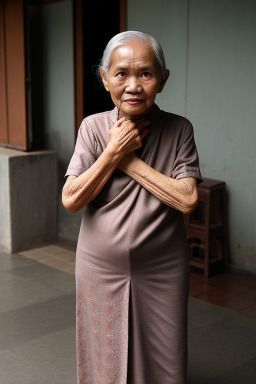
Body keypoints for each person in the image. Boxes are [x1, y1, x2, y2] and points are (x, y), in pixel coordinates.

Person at [62, 30, 202, 384]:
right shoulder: (93, 128)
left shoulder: (179, 129)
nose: (134, 85)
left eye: (146, 74)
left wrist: (127, 159)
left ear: (162, 80)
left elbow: (186, 199)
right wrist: (110, 152)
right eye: (121, 73)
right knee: (104, 355)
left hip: (163, 267)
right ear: (105, 77)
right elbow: (71, 199)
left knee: (165, 355)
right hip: (99, 266)